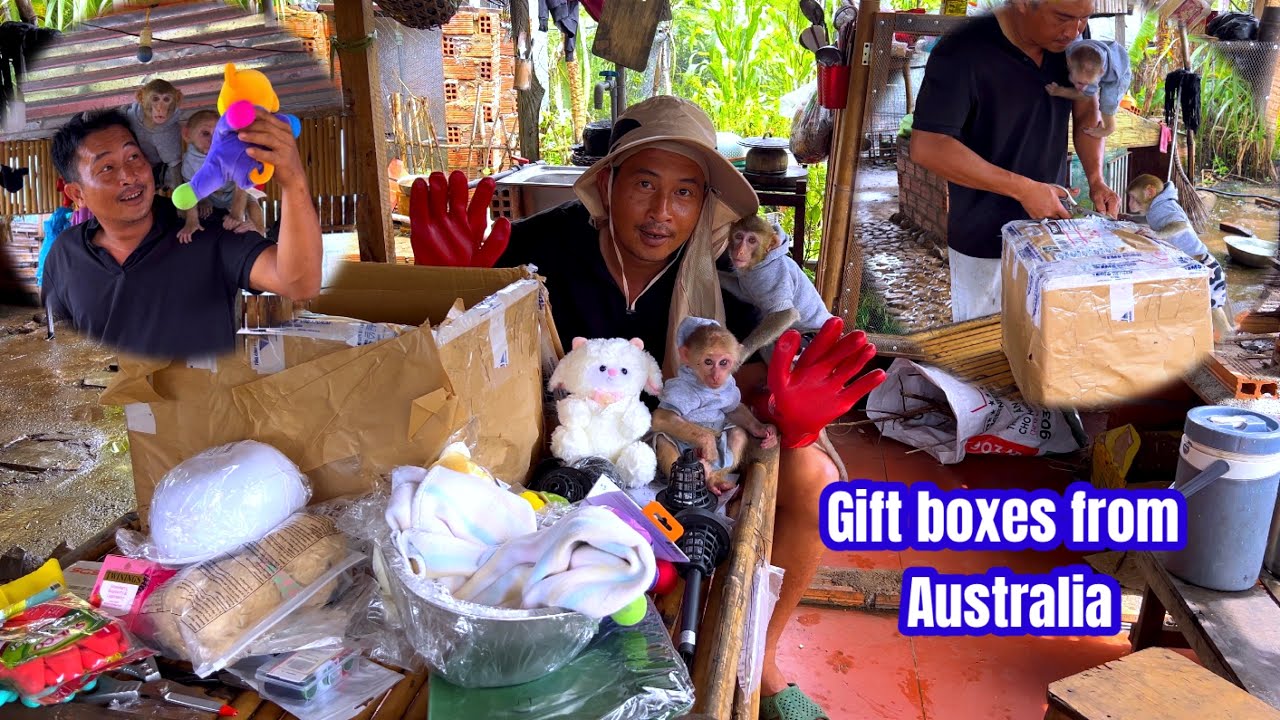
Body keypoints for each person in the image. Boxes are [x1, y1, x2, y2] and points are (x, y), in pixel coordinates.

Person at [416, 96, 885, 720]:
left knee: (813, 476)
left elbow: (785, 357)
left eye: (685, 192)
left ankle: (762, 662)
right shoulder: (538, 247)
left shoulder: (736, 267)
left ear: (705, 202)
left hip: (688, 445)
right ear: (607, 184)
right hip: (564, 444)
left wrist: (786, 411)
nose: (663, 211)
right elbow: (454, 354)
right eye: (644, 184)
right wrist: (448, 287)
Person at [41, 107, 322, 359]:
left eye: (134, 156)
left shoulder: (206, 230)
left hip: (203, 401)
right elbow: (61, 350)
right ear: (77, 194)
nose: (129, 175)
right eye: (107, 168)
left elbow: (300, 284)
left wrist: (293, 180)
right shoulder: (65, 255)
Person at [910, 0, 1121, 323]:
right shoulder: (962, 49)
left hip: (1050, 234)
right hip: (984, 239)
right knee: (985, 341)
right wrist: (1023, 189)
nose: (1074, 31)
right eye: (1063, 18)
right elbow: (928, 146)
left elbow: (1085, 112)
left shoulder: (1075, 42)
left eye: (1084, 19)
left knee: (1047, 335)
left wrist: (1096, 179)